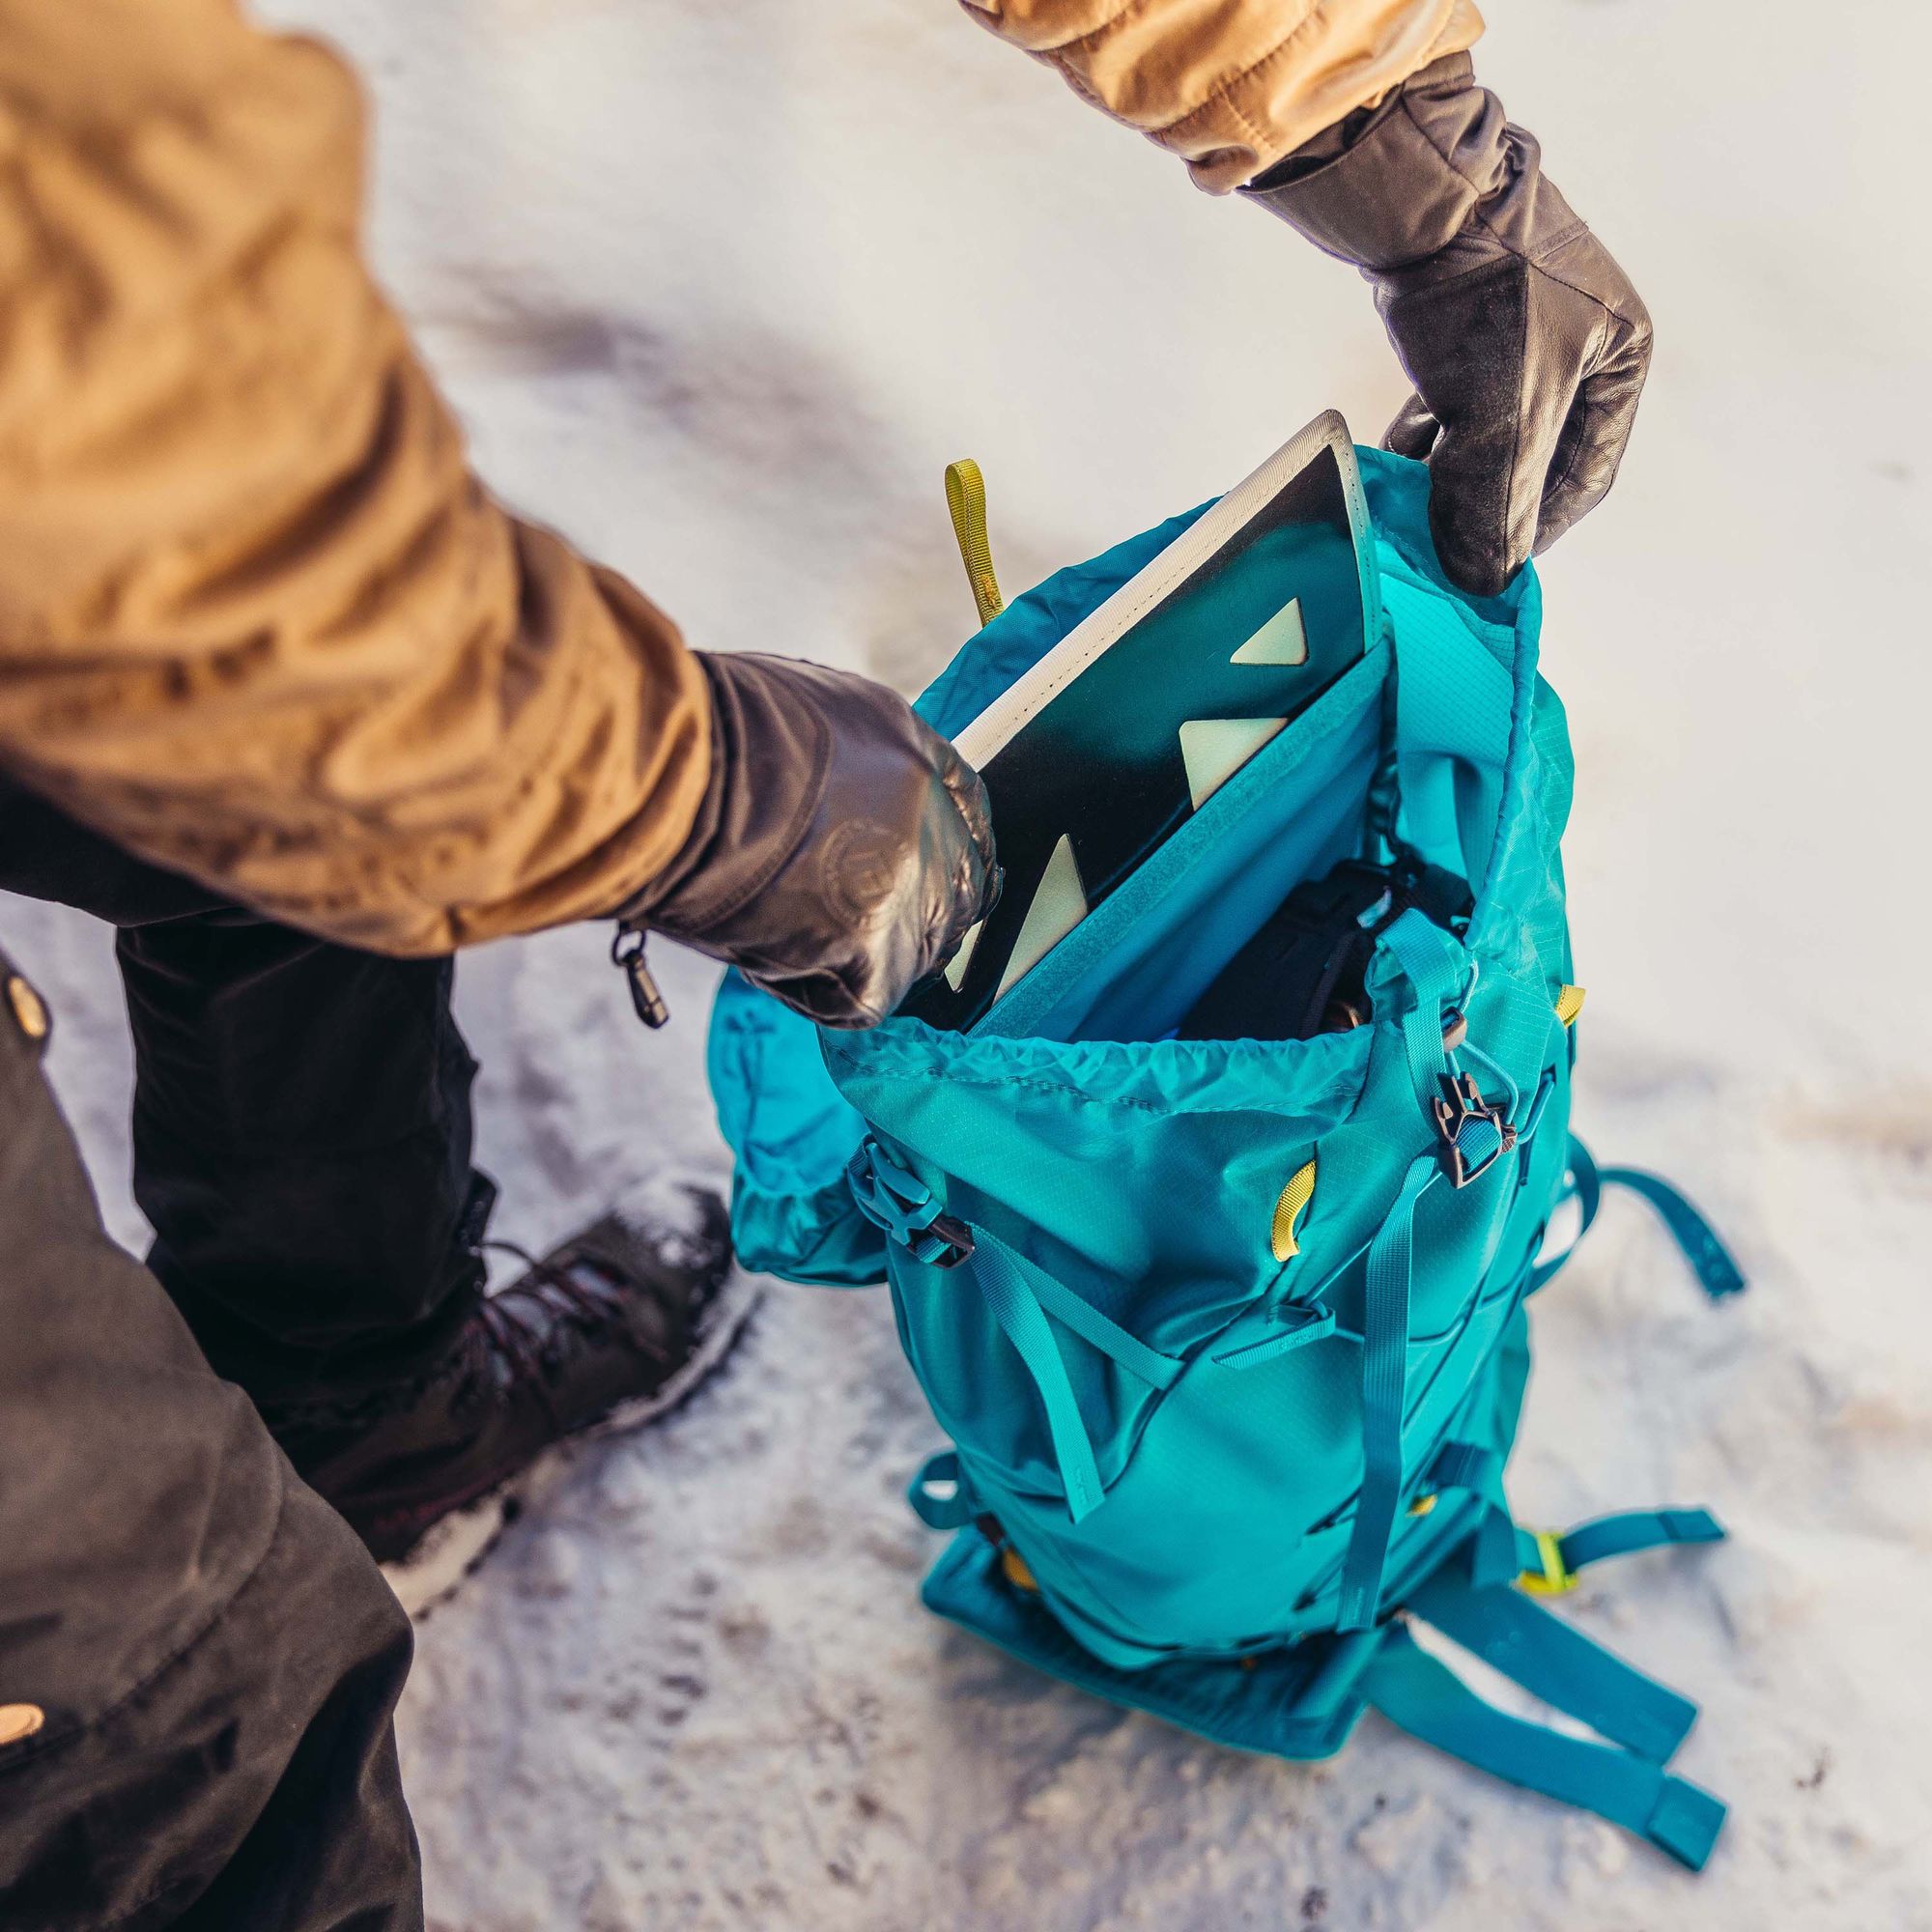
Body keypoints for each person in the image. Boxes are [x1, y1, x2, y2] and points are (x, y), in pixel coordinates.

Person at [0, 2, 1653, 1923]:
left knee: (287, 840)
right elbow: (156, 527)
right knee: (162, 1703)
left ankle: (371, 1410)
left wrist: (1393, 133)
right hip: (114, 514)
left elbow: (187, 520)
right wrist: (695, 799)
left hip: (133, 510)